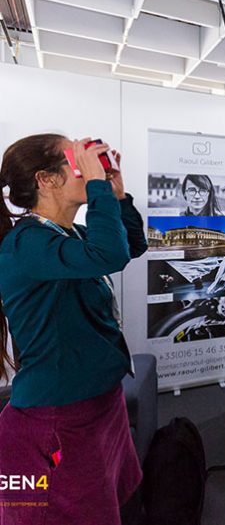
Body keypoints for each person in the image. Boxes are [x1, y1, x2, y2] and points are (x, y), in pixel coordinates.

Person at [0, 134, 148, 525]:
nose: (87, 167)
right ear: (46, 180)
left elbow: (131, 245)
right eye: (76, 160)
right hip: (58, 417)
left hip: (98, 402)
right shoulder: (26, 244)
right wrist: (98, 186)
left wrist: (117, 195)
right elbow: (109, 255)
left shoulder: (66, 234)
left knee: (111, 503)